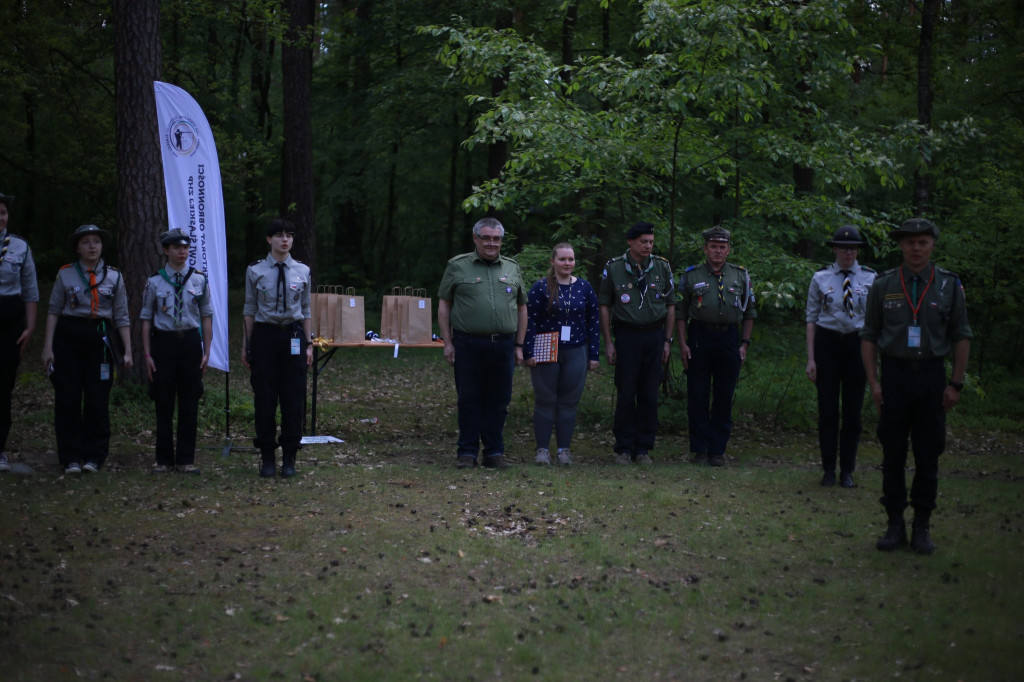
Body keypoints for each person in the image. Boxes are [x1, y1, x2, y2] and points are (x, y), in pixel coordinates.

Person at [861, 218, 971, 555]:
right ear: (901, 246)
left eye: (923, 242)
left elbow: (961, 336)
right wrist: (874, 382)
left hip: (931, 378)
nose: (916, 248)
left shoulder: (949, 286)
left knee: (928, 454)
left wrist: (956, 384)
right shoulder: (884, 284)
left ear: (932, 245)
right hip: (894, 377)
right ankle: (895, 523)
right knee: (892, 453)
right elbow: (868, 337)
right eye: (910, 243)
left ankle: (922, 525)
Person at [41, 224, 132, 474]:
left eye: (96, 241)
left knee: (97, 398)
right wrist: (48, 346)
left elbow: (122, 316)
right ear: (78, 248)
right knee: (68, 397)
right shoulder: (66, 274)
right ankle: (70, 456)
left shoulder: (114, 276)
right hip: (68, 336)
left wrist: (128, 351)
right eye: (86, 242)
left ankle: (94, 456)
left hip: (100, 337)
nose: (92, 246)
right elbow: (54, 311)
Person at [437, 217, 527, 470]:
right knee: (469, 398)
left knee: (499, 400)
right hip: (467, 343)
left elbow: (522, 307)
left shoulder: (512, 268)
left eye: (496, 239)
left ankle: (494, 452)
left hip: (504, 345)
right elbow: (444, 304)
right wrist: (447, 342)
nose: (491, 243)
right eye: (486, 238)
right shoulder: (457, 266)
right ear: (475, 238)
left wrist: (519, 345)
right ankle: (466, 452)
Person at [676, 225, 756, 467]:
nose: (718, 251)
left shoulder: (741, 275)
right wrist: (682, 344)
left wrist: (744, 344)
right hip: (699, 336)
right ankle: (700, 449)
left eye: (722, 247)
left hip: (729, 338)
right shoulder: (691, 275)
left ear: (729, 250)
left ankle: (718, 450)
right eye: (713, 247)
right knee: (698, 395)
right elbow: (680, 313)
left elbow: (750, 311)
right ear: (705, 249)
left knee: (724, 395)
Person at [598, 222, 675, 465]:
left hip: (654, 336)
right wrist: (609, 342)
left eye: (651, 242)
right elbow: (605, 306)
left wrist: (667, 341)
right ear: (630, 242)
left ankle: (643, 448)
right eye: (643, 241)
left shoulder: (662, 267)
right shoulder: (614, 268)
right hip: (627, 336)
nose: (648, 246)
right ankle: (623, 447)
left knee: (649, 393)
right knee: (626, 392)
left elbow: (671, 305)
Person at [805, 225, 876, 488]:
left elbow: (875, 322)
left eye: (853, 248)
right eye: (843, 247)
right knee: (827, 411)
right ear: (835, 249)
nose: (848, 252)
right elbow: (811, 319)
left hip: (857, 346)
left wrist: (873, 358)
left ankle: (847, 470)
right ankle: (828, 470)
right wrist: (811, 358)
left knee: (853, 412)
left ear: (858, 251)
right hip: (827, 344)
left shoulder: (871, 279)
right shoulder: (820, 278)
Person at [242, 218, 313, 478]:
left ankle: (291, 456)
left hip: (292, 335)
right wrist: (247, 345)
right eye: (279, 235)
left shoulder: (302, 271)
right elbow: (250, 309)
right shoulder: (255, 270)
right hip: (264, 336)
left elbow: (305, 310)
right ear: (268, 239)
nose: (285, 240)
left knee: (293, 398)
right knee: (265, 398)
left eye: (289, 235)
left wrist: (309, 343)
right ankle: (267, 456)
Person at [140, 229, 213, 474]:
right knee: (163, 401)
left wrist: (207, 351)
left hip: (190, 343)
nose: (182, 252)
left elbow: (206, 316)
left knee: (189, 401)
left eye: (185, 248)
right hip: (164, 343)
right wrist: (148, 355)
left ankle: (185, 459)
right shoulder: (154, 281)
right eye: (176, 248)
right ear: (166, 250)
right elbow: (146, 319)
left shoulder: (199, 280)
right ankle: (163, 459)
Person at [523, 243, 600, 466]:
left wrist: (594, 354)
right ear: (553, 261)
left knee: (568, 403)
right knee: (545, 401)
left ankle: (564, 450)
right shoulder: (540, 288)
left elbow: (593, 322)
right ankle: (542, 451)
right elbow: (530, 321)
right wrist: (528, 351)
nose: (567, 263)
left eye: (571, 259)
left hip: (576, 350)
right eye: (562, 259)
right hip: (546, 349)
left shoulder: (585, 288)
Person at [0, 191, 39, 473]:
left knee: (3, 386)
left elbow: (30, 291)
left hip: (9, 322)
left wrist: (30, 327)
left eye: (2, 213)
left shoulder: (20, 248)